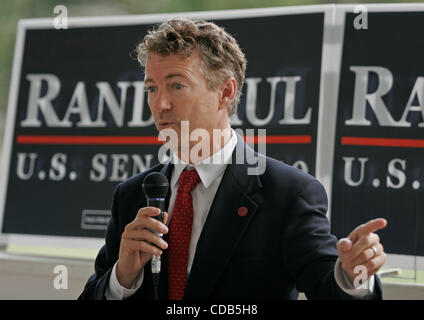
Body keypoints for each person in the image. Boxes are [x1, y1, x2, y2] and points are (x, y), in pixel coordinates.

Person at [79, 18, 387, 300]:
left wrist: (353, 275)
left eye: (176, 85)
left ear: (226, 92)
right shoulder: (132, 195)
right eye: (151, 88)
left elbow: (325, 287)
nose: (159, 103)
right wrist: (122, 277)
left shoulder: (287, 193)